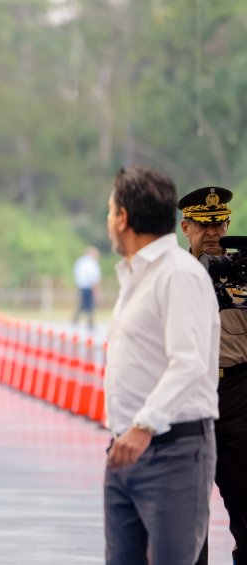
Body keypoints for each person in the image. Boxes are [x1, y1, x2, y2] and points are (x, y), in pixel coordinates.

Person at [103, 166, 219, 565]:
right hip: (124, 450)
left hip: (172, 450)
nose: (109, 219)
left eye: (109, 210)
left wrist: (143, 425)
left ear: (123, 218)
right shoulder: (137, 277)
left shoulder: (178, 275)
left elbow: (189, 363)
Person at [179, 186, 247, 565]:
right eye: (203, 226)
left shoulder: (244, 271)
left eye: (219, 224)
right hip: (190, 396)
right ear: (185, 227)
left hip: (238, 394)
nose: (213, 233)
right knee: (188, 512)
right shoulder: (174, 276)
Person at [72, 246, 101, 330]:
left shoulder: (80, 261)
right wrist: (96, 290)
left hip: (81, 286)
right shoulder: (91, 262)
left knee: (83, 304)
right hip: (88, 286)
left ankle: (76, 319)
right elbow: (94, 277)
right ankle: (90, 322)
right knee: (90, 305)